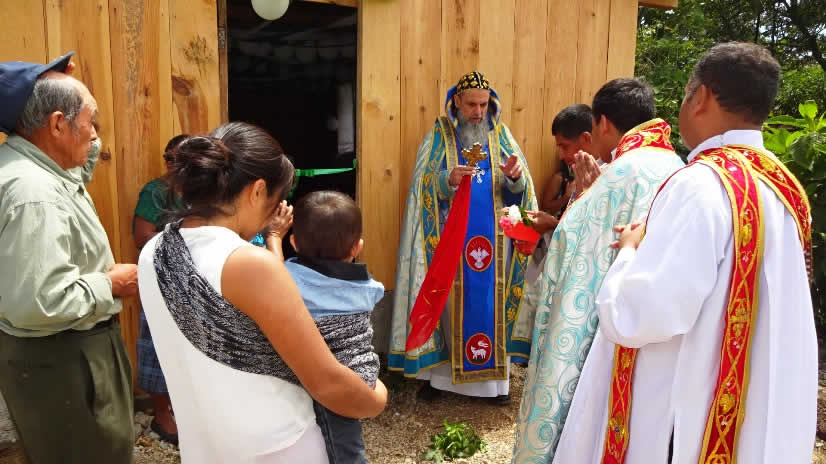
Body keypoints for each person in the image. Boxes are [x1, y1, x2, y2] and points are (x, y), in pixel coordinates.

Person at [553, 42, 816, 464]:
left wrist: (630, 251)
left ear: (702, 97)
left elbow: (641, 315)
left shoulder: (701, 183)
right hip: (759, 406)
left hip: (690, 411)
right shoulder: (785, 187)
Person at [137, 122, 387, 463]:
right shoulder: (250, 264)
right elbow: (328, 383)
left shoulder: (155, 250)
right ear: (257, 191)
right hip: (279, 448)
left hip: (204, 449)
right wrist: (376, 397)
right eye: (275, 199)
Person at [512, 78, 684, 463]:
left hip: (608, 333)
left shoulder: (622, 171)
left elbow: (572, 246)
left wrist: (584, 198)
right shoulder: (678, 167)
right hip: (660, 331)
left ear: (603, 123)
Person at [0, 53, 138, 463]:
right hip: (63, 358)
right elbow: (40, 302)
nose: (95, 134)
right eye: (91, 121)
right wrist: (111, 284)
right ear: (58, 125)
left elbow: (83, 158)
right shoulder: (36, 194)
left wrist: (59, 87)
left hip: (57, 356)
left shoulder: (36, 165)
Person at [389, 71, 537, 403]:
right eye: (471, 104)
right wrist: (447, 180)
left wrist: (515, 179)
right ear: (456, 101)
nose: (478, 112)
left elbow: (520, 194)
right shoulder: (438, 137)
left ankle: (494, 385)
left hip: (496, 245)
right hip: (450, 241)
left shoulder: (502, 136)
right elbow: (422, 188)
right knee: (449, 306)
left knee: (488, 305)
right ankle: (441, 379)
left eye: (484, 105)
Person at [285, 190, 384, 464]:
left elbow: (275, 275)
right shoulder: (369, 289)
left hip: (319, 373)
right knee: (345, 439)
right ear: (356, 248)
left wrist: (272, 237)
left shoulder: (288, 277)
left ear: (293, 242)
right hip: (354, 371)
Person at [133, 133, 189, 444]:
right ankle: (162, 417)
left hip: (196, 280)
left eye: (178, 157)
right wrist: (187, 237)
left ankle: (185, 411)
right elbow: (142, 237)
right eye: (168, 157)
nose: (171, 163)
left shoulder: (203, 191)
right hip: (161, 279)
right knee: (156, 347)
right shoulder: (155, 192)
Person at [540, 103, 594, 217]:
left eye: (565, 147)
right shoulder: (562, 177)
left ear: (585, 138)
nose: (561, 156)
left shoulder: (608, 175)